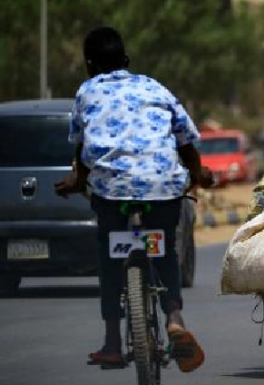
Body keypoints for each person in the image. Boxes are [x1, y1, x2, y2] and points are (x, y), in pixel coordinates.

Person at [55, 27, 212, 373]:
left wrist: (75, 181)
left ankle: (112, 342)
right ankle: (174, 319)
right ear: (127, 61)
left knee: (109, 257)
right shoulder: (154, 87)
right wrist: (198, 174)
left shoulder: (85, 92)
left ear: (88, 64)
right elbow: (186, 141)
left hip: (111, 191)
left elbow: (82, 148)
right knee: (165, 247)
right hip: (162, 187)